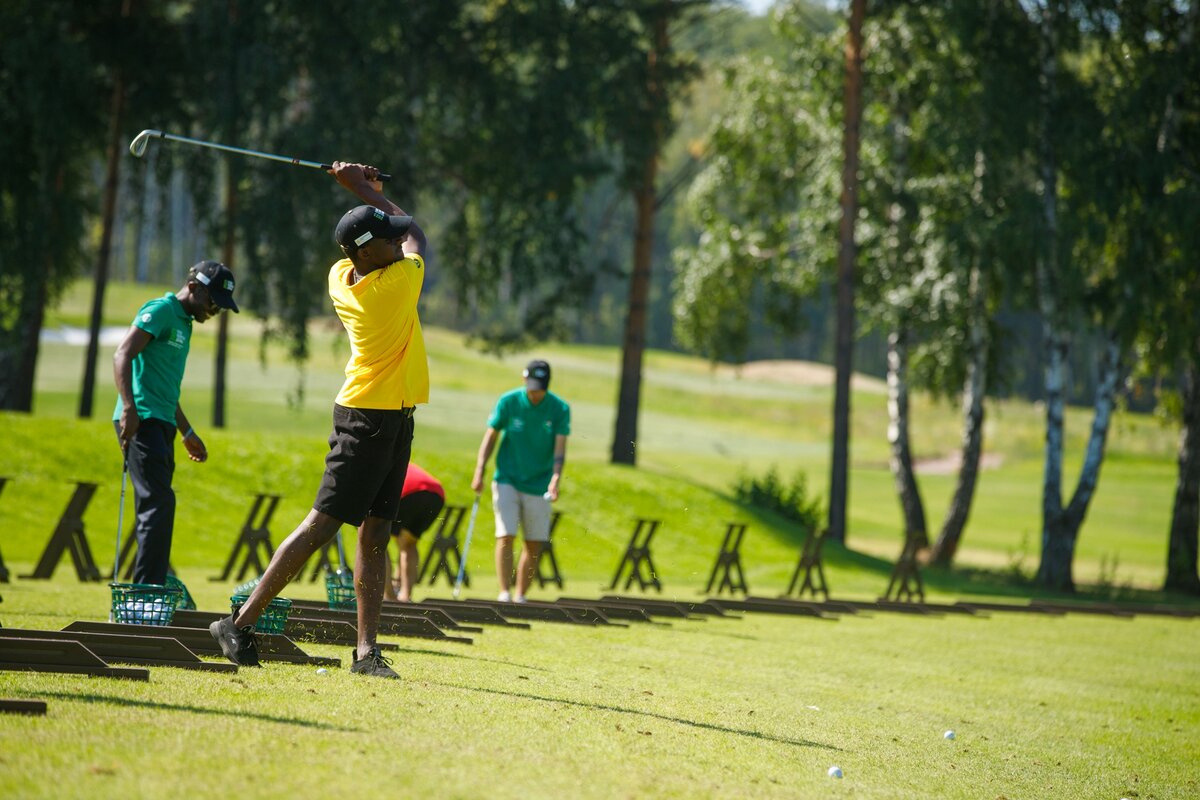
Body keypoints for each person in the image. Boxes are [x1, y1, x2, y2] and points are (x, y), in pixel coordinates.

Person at [209, 161, 428, 679]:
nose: (398, 245)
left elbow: (394, 234)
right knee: (322, 525)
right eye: (388, 242)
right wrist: (360, 187)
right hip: (367, 418)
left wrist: (365, 196)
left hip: (393, 415)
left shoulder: (343, 275)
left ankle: (365, 652)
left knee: (375, 532)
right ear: (369, 254)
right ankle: (238, 624)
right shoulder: (393, 285)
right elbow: (417, 234)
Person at [113, 260, 239, 586]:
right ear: (194, 288)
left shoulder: (184, 322)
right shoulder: (161, 310)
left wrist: (187, 431)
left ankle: (150, 587)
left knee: (158, 506)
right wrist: (128, 408)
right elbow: (122, 354)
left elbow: (166, 387)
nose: (215, 311)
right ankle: (146, 592)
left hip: (163, 420)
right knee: (159, 504)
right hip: (142, 418)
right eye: (213, 302)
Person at [471, 360, 570, 603]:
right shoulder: (509, 401)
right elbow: (491, 436)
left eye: (541, 388)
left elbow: (560, 449)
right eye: (533, 386)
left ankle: (520, 595)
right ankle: (504, 592)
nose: (536, 393)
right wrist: (480, 469)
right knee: (506, 534)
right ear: (524, 379)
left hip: (540, 481)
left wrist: (556, 477)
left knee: (534, 542)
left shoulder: (560, 409)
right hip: (507, 477)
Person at [384, 462, 445, 602]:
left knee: (376, 544)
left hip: (407, 492)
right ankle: (405, 596)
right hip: (436, 494)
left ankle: (389, 596)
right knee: (408, 544)